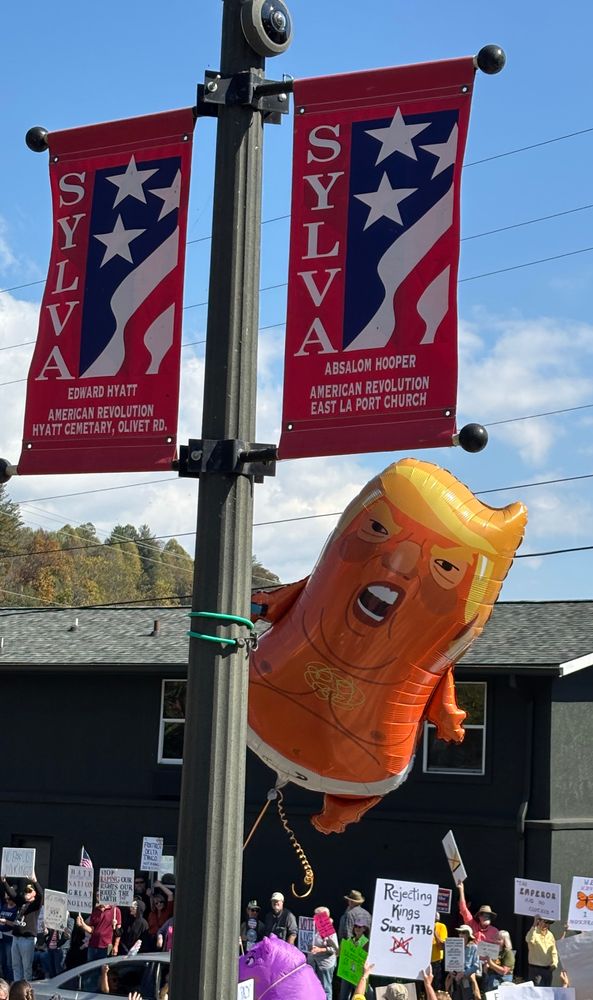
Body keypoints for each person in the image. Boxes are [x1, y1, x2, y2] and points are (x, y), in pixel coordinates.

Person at [0, 875, 43, 982]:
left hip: (27, 939)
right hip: (16, 937)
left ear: (34, 893)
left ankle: (25, 991)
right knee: (16, 966)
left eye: (29, 891)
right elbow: (11, 894)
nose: (27, 893)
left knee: (26, 968)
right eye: (26, 890)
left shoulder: (35, 905)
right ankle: (17, 989)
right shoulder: (21, 902)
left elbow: (41, 894)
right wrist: (4, 881)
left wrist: (35, 881)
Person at [76, 893, 122, 962]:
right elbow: (92, 930)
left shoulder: (115, 910)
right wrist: (82, 925)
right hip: (92, 946)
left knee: (103, 969)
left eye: (100, 895)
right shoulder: (95, 910)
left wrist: (116, 946)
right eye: (97, 895)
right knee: (90, 969)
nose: (98, 897)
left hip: (106, 947)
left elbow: (119, 932)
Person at [309, 906, 338, 1000]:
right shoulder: (311, 927)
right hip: (313, 963)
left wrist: (320, 949)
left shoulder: (328, 930)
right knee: (313, 987)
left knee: (325, 989)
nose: (314, 917)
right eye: (315, 915)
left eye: (317, 915)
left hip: (324, 964)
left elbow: (334, 949)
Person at [448, 925, 480, 1000]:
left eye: (463, 932)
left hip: (467, 978)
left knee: (467, 997)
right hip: (455, 978)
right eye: (459, 932)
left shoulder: (474, 947)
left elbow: (476, 965)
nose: (461, 934)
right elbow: (449, 961)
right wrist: (450, 971)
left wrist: (464, 973)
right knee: (455, 997)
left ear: (468, 935)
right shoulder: (454, 945)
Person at [525, 916, 558, 986]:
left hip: (548, 969)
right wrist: (534, 924)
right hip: (536, 969)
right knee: (537, 992)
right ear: (539, 921)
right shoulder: (534, 932)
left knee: (547, 991)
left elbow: (553, 950)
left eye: (549, 923)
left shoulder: (550, 934)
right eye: (545, 922)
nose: (547, 925)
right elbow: (528, 939)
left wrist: (555, 963)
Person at [0, 890, 17, 981]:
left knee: (9, 963)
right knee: (3, 961)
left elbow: (15, 924)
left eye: (9, 898)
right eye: (6, 898)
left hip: (10, 937)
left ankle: (10, 982)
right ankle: (4, 980)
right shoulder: (3, 906)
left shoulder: (16, 909)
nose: (7, 900)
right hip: (2, 936)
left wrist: (6, 921)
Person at [431, 912, 447, 989]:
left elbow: (441, 946)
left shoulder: (441, 926)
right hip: (422, 962)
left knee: (435, 987)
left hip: (435, 962)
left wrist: (434, 932)